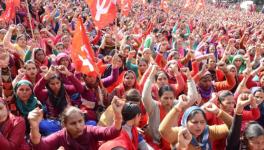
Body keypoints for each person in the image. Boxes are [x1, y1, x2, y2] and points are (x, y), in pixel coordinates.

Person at [28, 96, 124, 150]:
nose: (78, 126)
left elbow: (111, 132)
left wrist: (118, 115)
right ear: (64, 125)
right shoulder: (60, 137)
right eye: (73, 123)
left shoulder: (90, 130)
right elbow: (40, 146)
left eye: (80, 121)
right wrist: (34, 126)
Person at [159, 95, 233, 150]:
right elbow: (163, 130)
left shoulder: (208, 131)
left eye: (202, 122)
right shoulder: (181, 132)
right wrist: (178, 106)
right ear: (186, 122)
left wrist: (218, 112)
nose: (199, 126)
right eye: (194, 122)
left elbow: (234, 125)